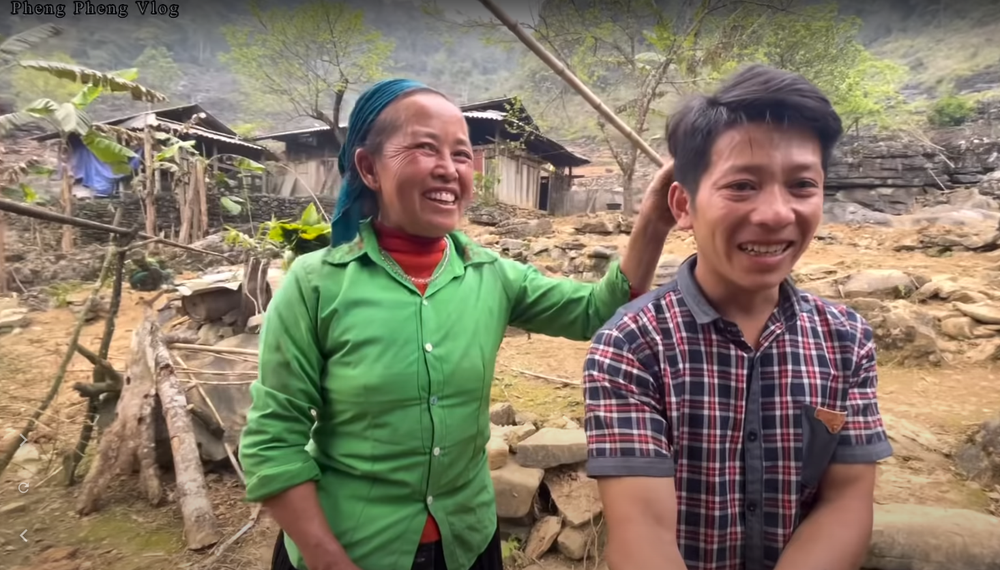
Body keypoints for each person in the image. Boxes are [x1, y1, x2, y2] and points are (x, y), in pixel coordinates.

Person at [239, 78, 677, 570]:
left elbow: (598, 309)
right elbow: (272, 442)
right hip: (351, 549)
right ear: (368, 168)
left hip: (465, 544)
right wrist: (326, 559)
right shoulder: (315, 285)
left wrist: (655, 219)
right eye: (425, 148)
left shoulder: (494, 276)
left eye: (462, 154)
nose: (449, 169)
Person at [582, 64, 893, 570]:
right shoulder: (631, 345)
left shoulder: (845, 339)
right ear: (683, 204)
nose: (775, 213)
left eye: (801, 185)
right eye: (742, 186)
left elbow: (845, 503)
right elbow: (642, 532)